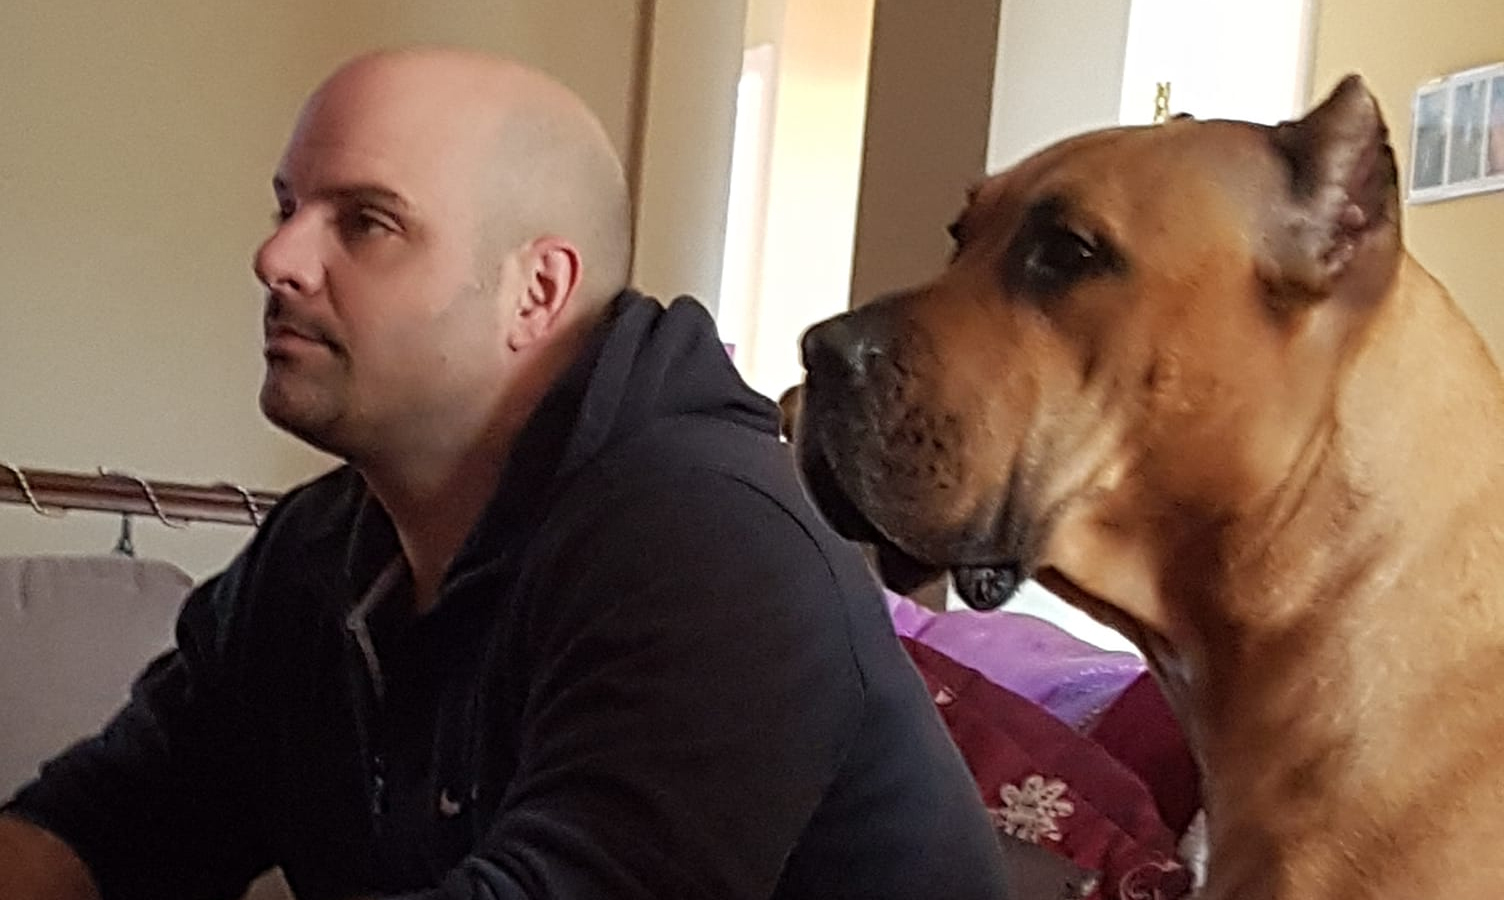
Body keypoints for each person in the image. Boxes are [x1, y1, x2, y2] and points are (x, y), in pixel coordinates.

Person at [0, 48, 1010, 900]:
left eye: (365, 222)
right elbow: (102, 828)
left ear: (536, 291)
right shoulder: (321, 553)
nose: (277, 257)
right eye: (287, 207)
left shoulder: (715, 543)